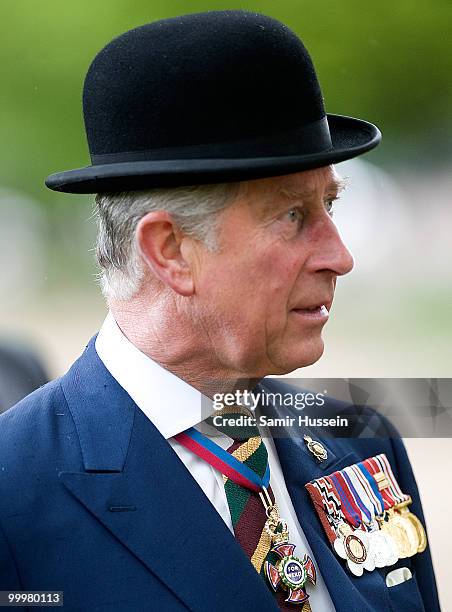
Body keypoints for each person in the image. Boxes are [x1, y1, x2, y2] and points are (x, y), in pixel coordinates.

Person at [0, 10, 440, 612]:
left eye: (330, 206)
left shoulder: (363, 443)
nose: (340, 256)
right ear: (171, 250)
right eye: (292, 216)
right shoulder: (16, 489)